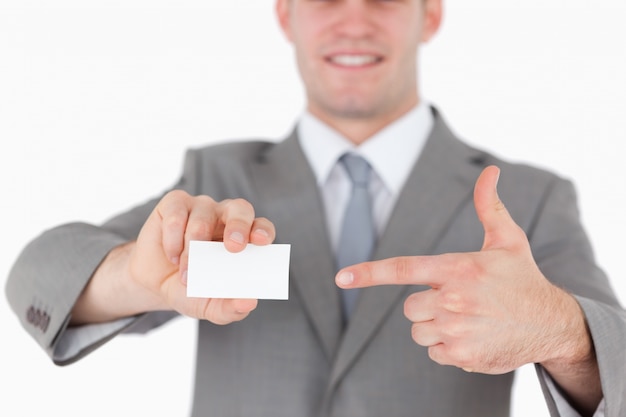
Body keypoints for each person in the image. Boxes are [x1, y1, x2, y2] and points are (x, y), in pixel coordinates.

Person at [5, 0, 625, 416]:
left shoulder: (526, 198)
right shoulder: (218, 178)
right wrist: (135, 278)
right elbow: (37, 277)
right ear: (285, 14)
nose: (353, 22)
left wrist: (562, 331)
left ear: (429, 14)